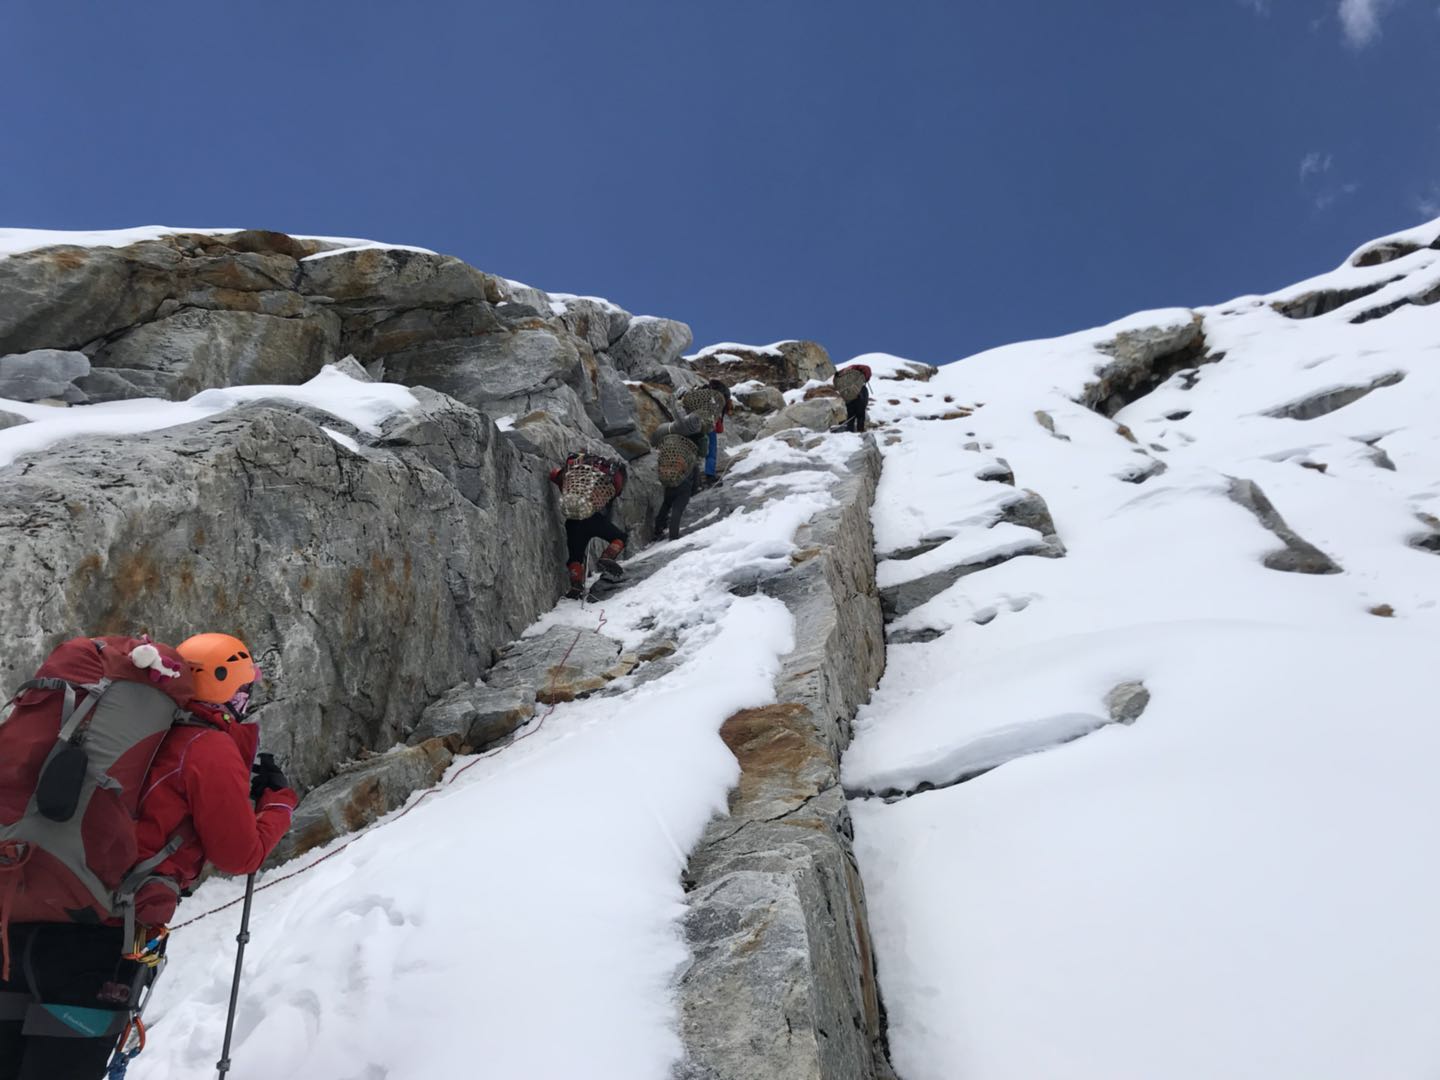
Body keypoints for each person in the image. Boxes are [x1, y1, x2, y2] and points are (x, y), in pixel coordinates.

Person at [0, 632, 296, 1080]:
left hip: (20, 918)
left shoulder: (116, 728)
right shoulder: (206, 746)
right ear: (227, 689)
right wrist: (277, 804)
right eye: (243, 688)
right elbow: (241, 854)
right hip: (100, 940)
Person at [550, 452, 628, 599]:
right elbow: (614, 492)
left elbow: (554, 475)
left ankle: (576, 585)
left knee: (575, 557)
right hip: (593, 519)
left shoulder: (572, 478)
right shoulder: (603, 480)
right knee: (620, 537)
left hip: (572, 521)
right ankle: (607, 557)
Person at [651, 411, 710, 542]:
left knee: (667, 503)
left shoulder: (672, 435)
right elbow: (703, 453)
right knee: (678, 506)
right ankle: (674, 537)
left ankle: (657, 530)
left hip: (668, 474)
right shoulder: (697, 438)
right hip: (684, 476)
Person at [700, 380, 731, 489]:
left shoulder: (702, 393)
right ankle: (710, 475)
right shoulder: (717, 400)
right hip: (708, 426)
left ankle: (693, 481)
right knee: (711, 451)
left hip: (693, 425)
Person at [833, 363, 872, 432]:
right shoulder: (861, 384)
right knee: (860, 415)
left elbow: (836, 380)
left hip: (848, 398)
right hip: (859, 397)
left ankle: (849, 432)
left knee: (850, 415)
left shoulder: (846, 371)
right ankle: (860, 431)